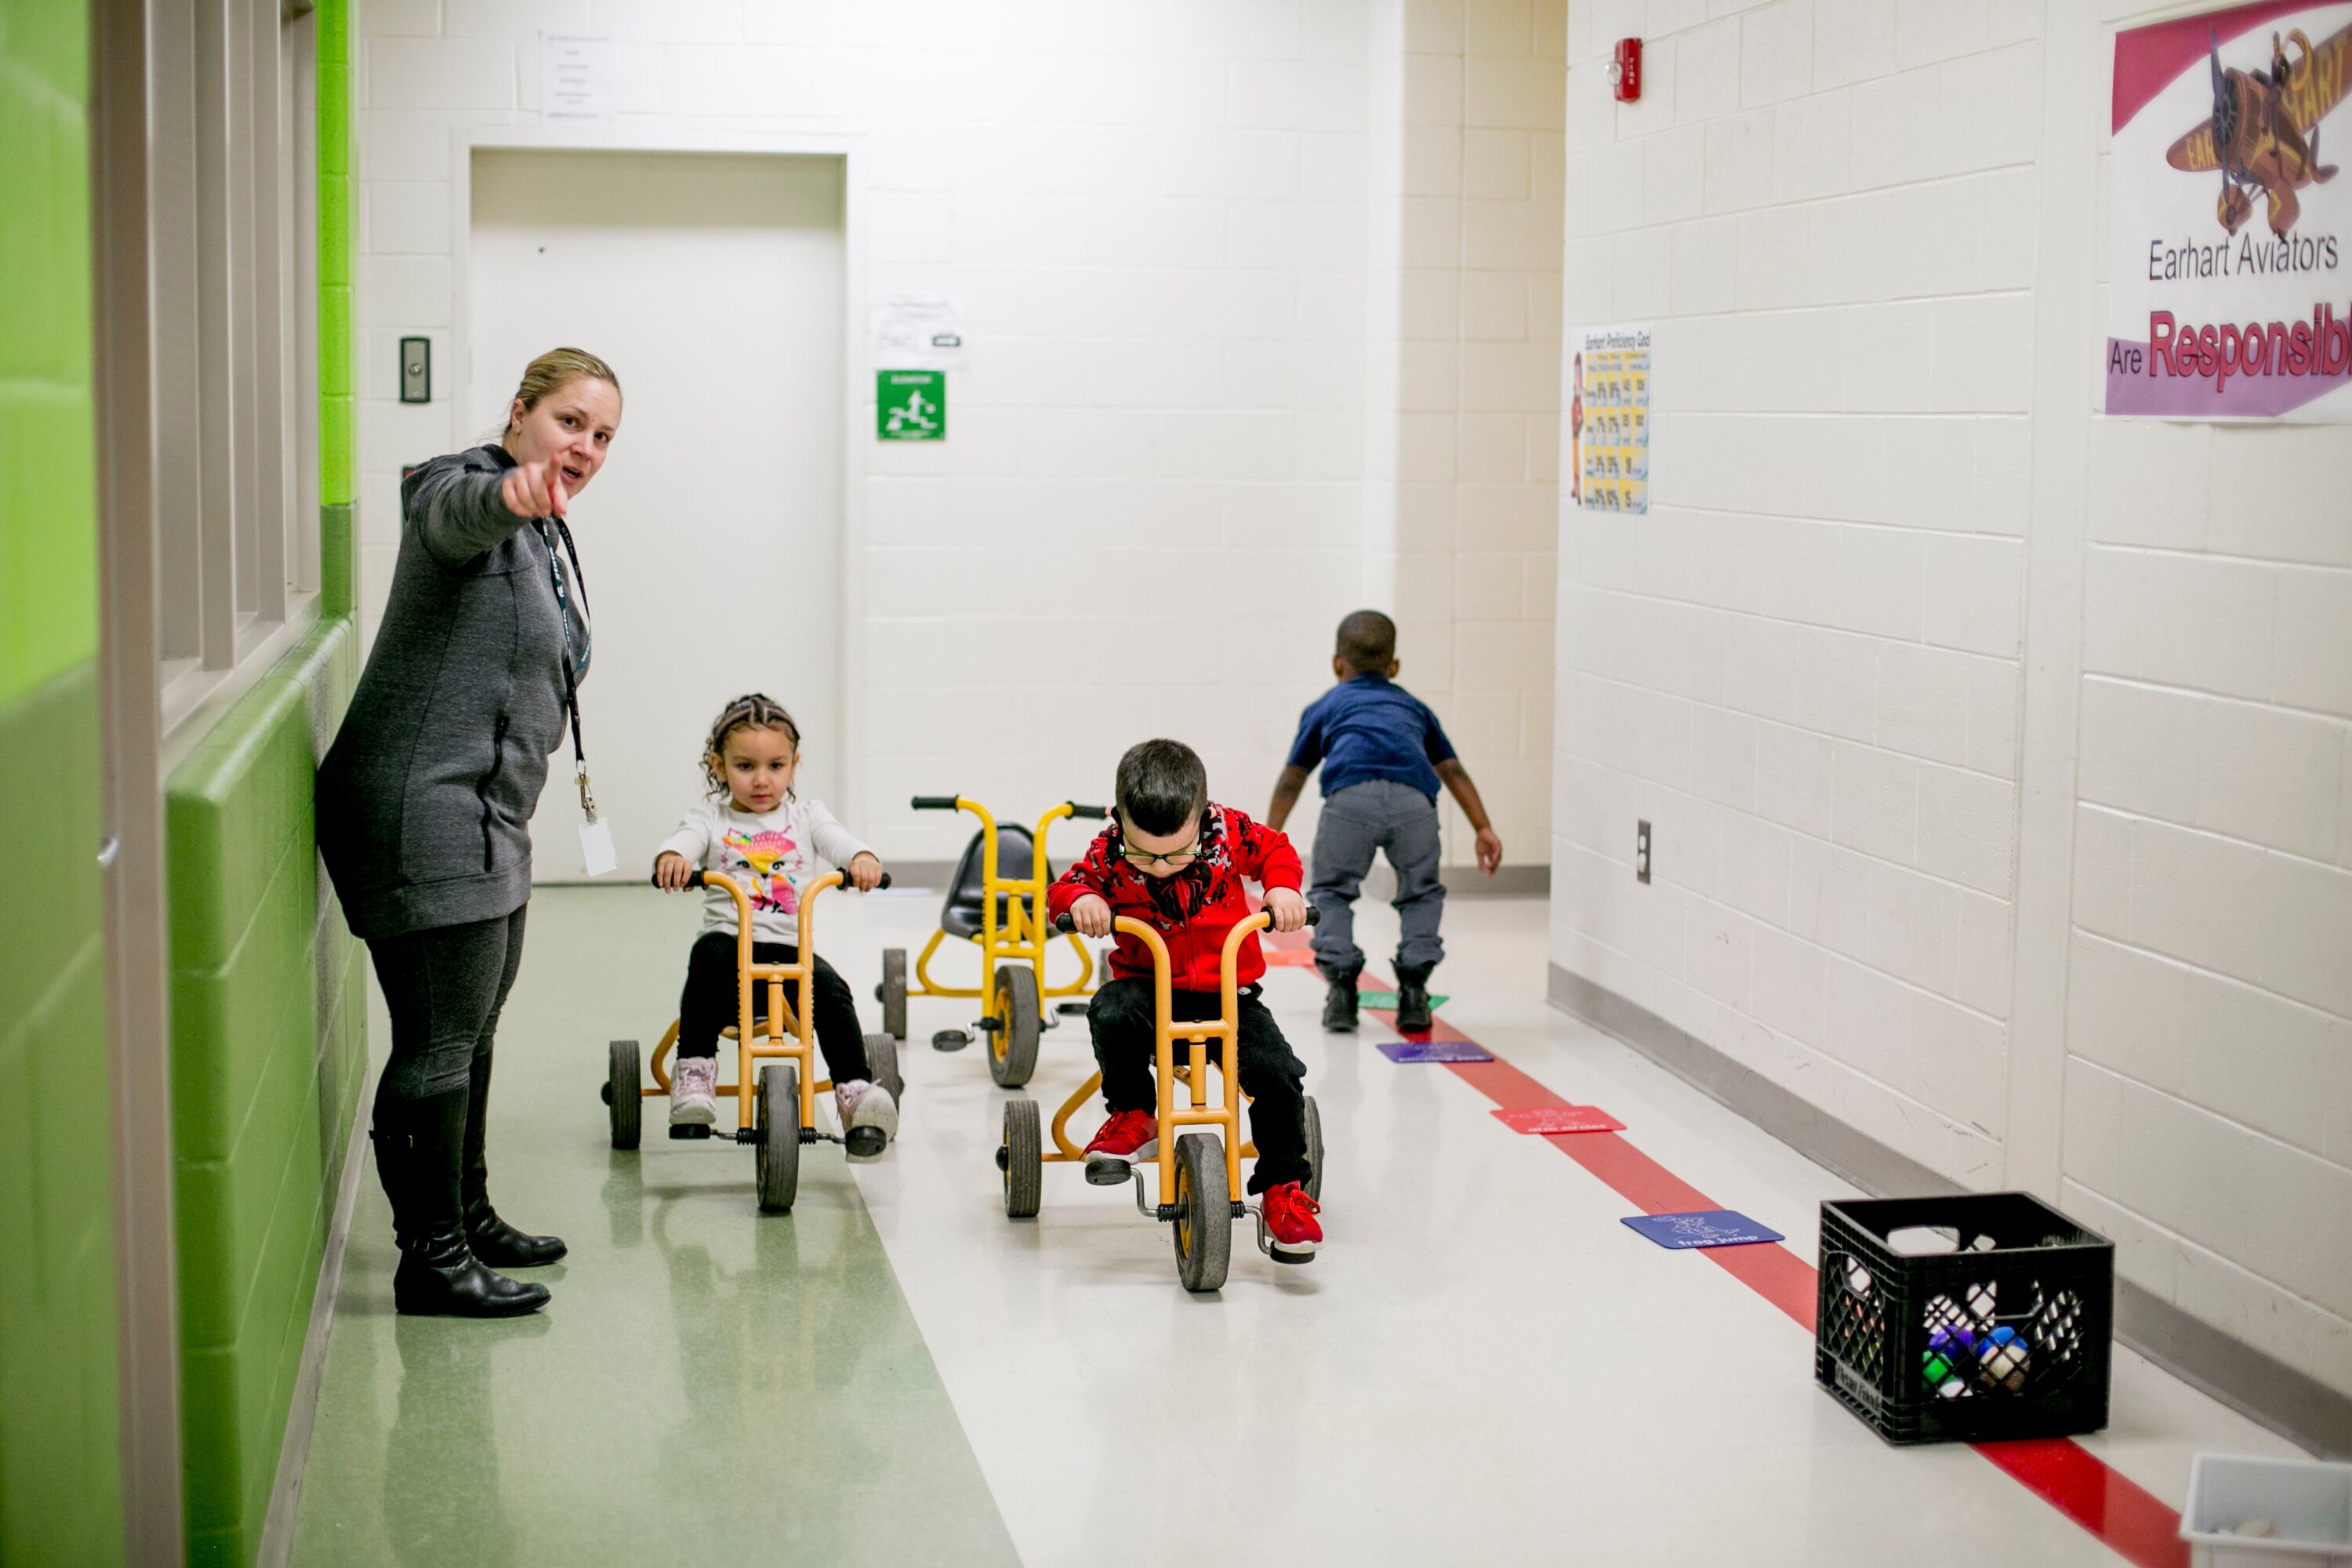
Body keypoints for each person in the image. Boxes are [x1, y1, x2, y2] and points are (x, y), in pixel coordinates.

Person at [317, 347, 622, 1316]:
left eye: (604, 436)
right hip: (423, 807)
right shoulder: (462, 490)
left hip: (490, 816)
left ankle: (469, 1211)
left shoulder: (547, 538)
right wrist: (513, 493)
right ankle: (431, 1258)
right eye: (570, 421)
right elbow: (451, 517)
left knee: (474, 1028)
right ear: (522, 413)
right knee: (440, 1038)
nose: (584, 447)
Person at [1047, 739, 1323, 1258]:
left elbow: (1275, 849)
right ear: (1119, 819)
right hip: (1149, 991)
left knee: (1276, 1072)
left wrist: (1283, 889)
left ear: (1202, 816)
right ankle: (1134, 1112)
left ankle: (1284, 1189)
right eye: (1142, 854)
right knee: (1110, 1012)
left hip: (1228, 994)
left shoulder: (1229, 831)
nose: (1158, 868)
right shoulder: (1107, 851)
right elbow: (1064, 888)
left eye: (1176, 852)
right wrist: (1082, 899)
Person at [652, 694, 896, 1151]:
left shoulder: (807, 816)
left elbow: (839, 842)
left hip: (790, 957)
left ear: (794, 765)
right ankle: (696, 1071)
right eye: (745, 766)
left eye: (776, 766)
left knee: (830, 987)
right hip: (730, 960)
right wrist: (674, 858)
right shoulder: (711, 817)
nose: (762, 780)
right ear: (719, 766)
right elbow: (683, 841)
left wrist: (861, 859)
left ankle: (855, 1090)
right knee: (707, 953)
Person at [1265, 609, 1502, 1036]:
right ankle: (1413, 993)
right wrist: (1483, 827)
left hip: (1349, 802)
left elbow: (1291, 780)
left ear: (1338, 664)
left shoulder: (1326, 705)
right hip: (1415, 805)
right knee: (1421, 894)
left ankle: (1341, 993)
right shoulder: (1414, 707)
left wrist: (1268, 838)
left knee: (1332, 891)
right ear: (1394, 667)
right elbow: (1453, 772)